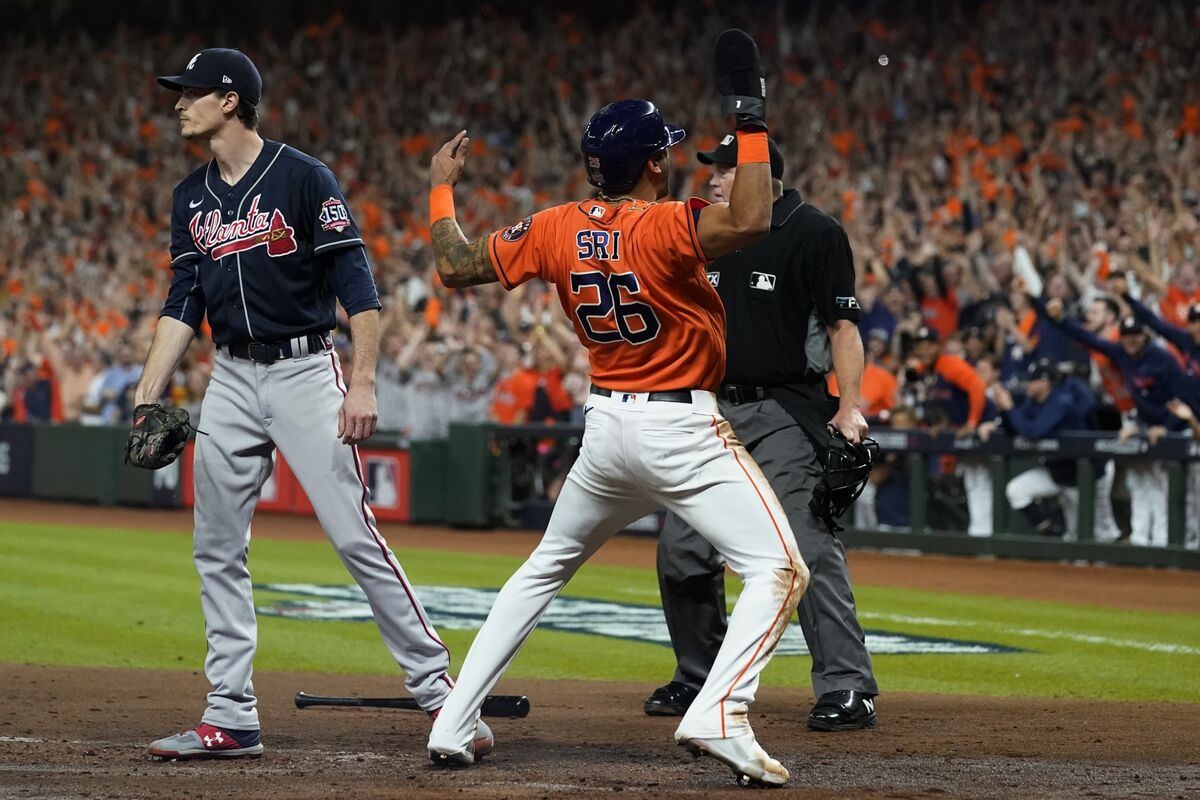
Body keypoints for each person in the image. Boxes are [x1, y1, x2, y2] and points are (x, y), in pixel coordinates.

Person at [427, 31, 809, 787]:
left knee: (542, 570)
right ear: (657, 164)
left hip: (606, 430)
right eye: (665, 151)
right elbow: (755, 221)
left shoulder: (553, 225)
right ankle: (721, 711)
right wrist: (753, 120)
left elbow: (454, 264)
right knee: (778, 568)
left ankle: (454, 718)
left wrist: (441, 189)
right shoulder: (665, 223)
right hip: (682, 427)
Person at [134, 48, 475, 760]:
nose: (178, 103)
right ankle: (231, 713)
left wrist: (365, 381)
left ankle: (445, 697)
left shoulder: (302, 176)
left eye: (191, 93)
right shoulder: (189, 197)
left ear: (231, 100)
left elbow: (358, 284)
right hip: (228, 377)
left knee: (354, 536)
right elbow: (182, 301)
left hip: (303, 371)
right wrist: (147, 393)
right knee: (216, 547)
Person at [642, 133, 879, 733]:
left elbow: (843, 327)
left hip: (784, 411)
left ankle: (848, 685)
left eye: (726, 170)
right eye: (713, 170)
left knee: (806, 544)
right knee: (682, 552)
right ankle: (697, 675)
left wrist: (850, 405)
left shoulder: (813, 232)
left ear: (763, 177)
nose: (715, 179)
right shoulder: (709, 232)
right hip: (710, 410)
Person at [991, 359, 1097, 540]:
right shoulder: (1033, 401)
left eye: (1032, 380)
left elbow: (1033, 432)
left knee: (1093, 533)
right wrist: (1004, 411)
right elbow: (1017, 427)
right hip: (1056, 471)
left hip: (1083, 476)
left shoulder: (1061, 401)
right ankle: (1049, 530)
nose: (1028, 385)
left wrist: (1010, 408)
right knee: (1016, 490)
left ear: (1045, 382)